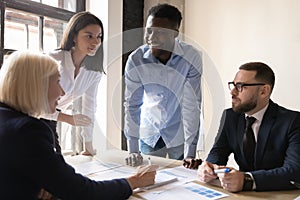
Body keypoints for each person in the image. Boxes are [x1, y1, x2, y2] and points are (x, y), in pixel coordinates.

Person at [0, 51, 157, 200]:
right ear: (36, 86)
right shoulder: (27, 131)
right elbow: (83, 192)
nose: (62, 92)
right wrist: (135, 181)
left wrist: (40, 183)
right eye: (57, 81)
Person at [193, 62, 300, 192]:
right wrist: (209, 167)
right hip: (242, 195)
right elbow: (218, 151)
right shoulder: (230, 117)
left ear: (263, 91)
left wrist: (247, 180)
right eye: (233, 85)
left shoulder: (293, 121)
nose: (232, 92)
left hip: (280, 194)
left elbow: (294, 171)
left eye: (240, 86)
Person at [124, 3, 202, 165]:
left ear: (175, 34)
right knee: (148, 181)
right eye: (149, 30)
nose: (152, 37)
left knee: (182, 181)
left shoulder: (191, 56)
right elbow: (132, 105)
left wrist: (191, 152)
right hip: (149, 132)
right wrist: (133, 150)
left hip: (179, 134)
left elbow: (191, 105)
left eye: (160, 33)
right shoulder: (136, 59)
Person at [41, 11, 104, 156]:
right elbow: (34, 103)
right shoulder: (52, 60)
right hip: (28, 120)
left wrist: (88, 145)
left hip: (50, 122)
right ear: (74, 36)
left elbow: (89, 107)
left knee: (56, 165)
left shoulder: (94, 72)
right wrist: (68, 119)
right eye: (89, 36)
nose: (95, 42)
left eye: (99, 37)